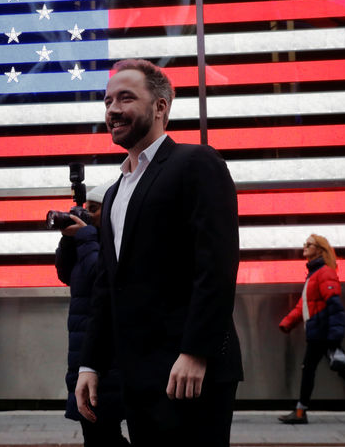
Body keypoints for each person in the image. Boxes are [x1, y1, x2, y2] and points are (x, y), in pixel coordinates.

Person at [75, 58, 243, 447]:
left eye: (125, 98)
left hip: (190, 374)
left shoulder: (196, 162)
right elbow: (107, 286)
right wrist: (90, 363)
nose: (112, 110)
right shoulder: (116, 191)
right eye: (107, 101)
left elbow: (216, 265)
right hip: (137, 377)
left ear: (160, 107)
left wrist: (196, 352)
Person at [278, 234, 345, 425]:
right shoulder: (314, 275)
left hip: (323, 332)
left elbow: (335, 305)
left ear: (319, 249)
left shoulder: (324, 273)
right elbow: (304, 305)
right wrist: (288, 322)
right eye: (305, 243)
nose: (305, 246)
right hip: (319, 331)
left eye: (309, 244)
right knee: (341, 370)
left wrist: (335, 336)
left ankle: (300, 412)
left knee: (309, 369)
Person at [56, 181, 129, 447]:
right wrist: (68, 239)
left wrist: (86, 236)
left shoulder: (113, 242)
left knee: (103, 431)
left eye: (94, 209)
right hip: (83, 350)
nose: (88, 215)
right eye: (86, 210)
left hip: (105, 355)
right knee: (95, 432)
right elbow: (67, 274)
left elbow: (99, 275)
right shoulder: (89, 243)